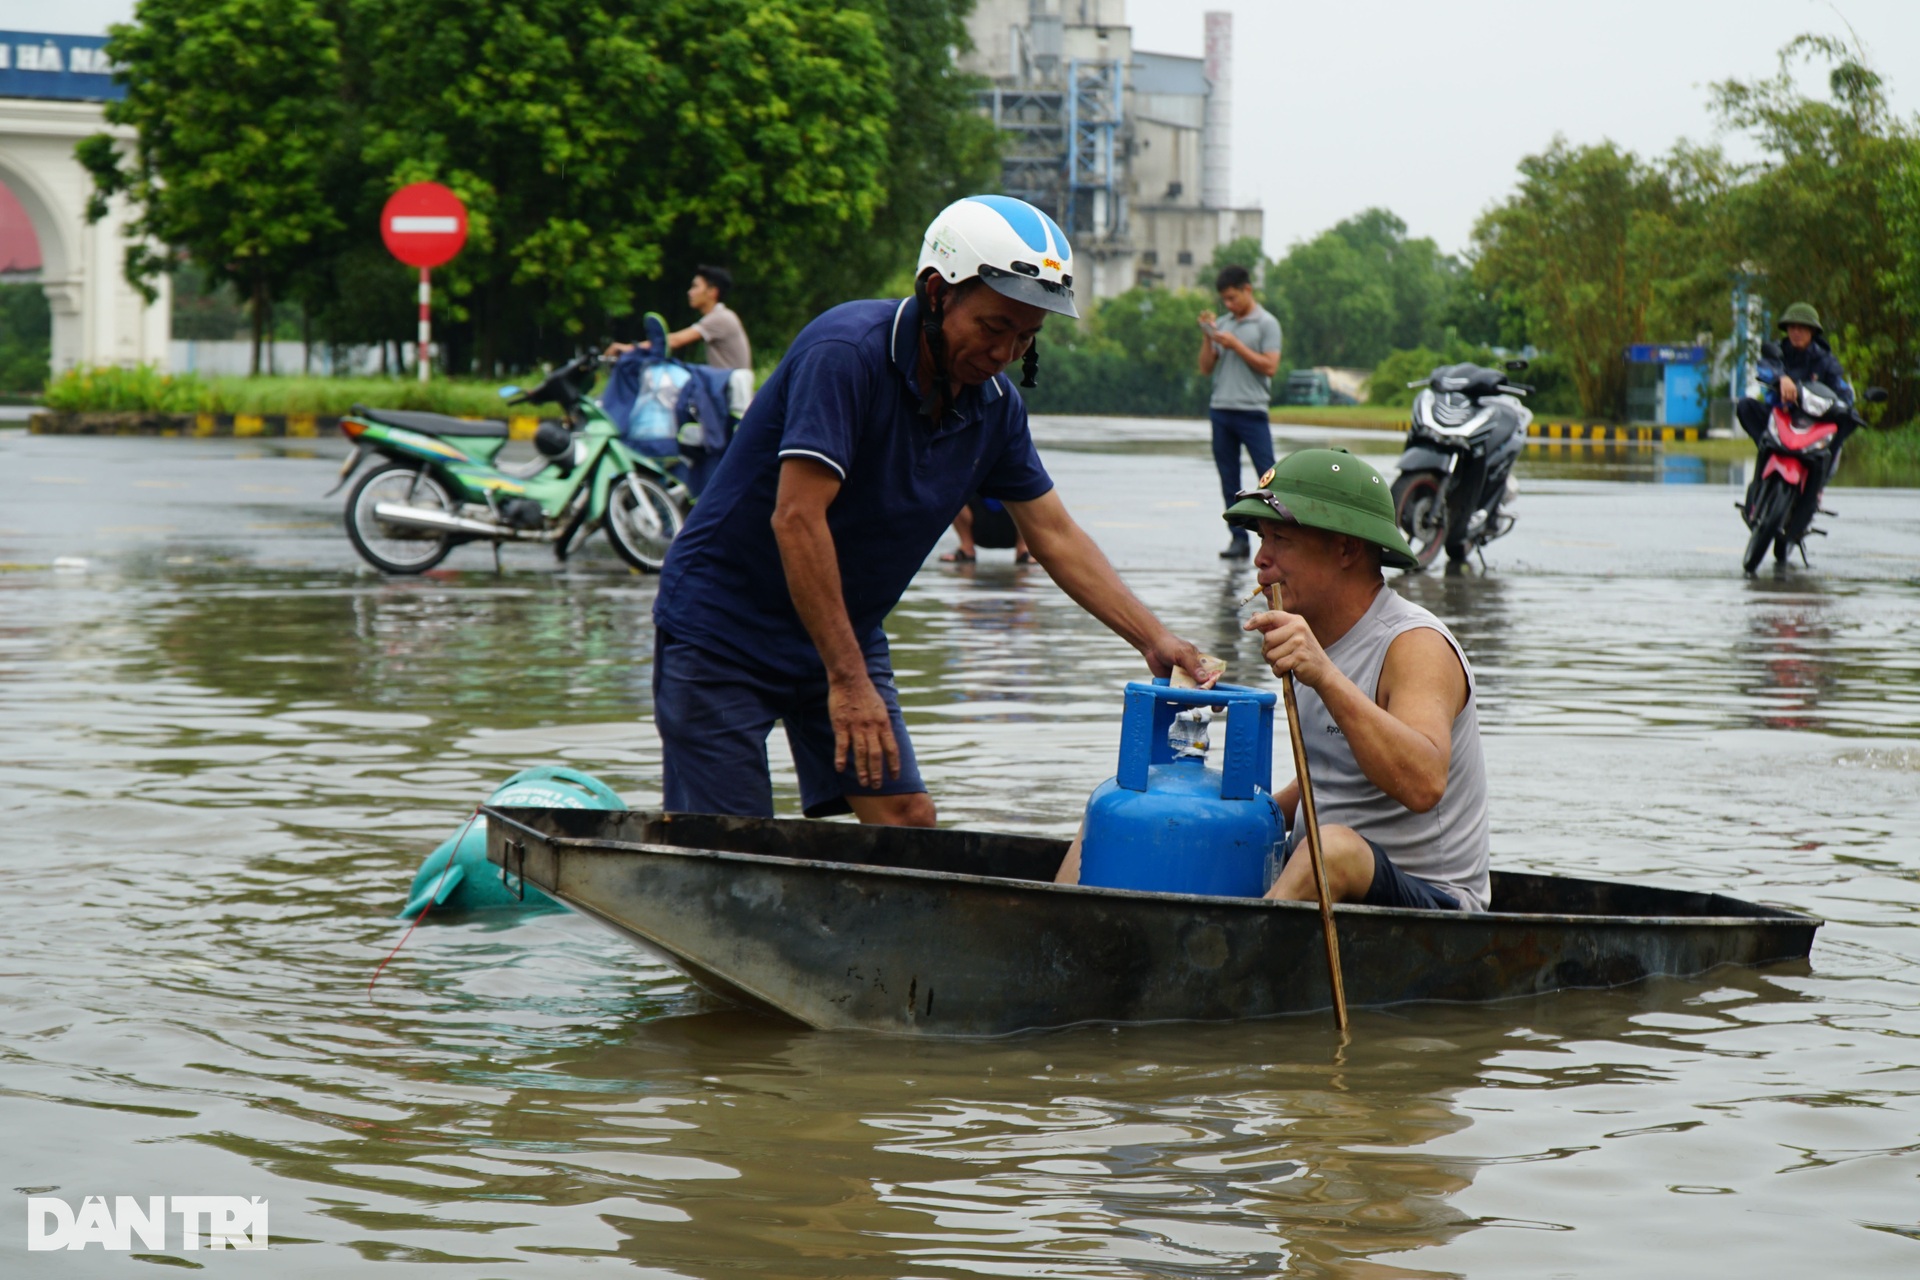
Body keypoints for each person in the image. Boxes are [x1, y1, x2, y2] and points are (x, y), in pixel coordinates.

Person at [651, 195, 1214, 826]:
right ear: (937, 293)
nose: (1005, 352)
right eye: (993, 327)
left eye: (1026, 337)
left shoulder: (994, 407)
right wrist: (848, 679)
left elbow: (1053, 534)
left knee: (905, 821)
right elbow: (796, 518)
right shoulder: (845, 354)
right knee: (730, 844)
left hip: (843, 627)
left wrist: (1154, 637)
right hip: (724, 627)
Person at [1235, 448, 1490, 911]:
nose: (1260, 559)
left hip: (1433, 903)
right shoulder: (1315, 635)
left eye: (1280, 540)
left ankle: (1238, 969)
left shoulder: (1414, 644)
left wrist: (1325, 677)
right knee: (1139, 811)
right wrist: (1240, 815)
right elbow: (1331, 779)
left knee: (1329, 849)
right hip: (1327, 877)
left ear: (1347, 548)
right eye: (1261, 538)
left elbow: (1423, 783)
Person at [1735, 302, 1854, 521]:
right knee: (1745, 406)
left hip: (1810, 426)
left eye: (1802, 328)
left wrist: (1846, 407)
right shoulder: (1779, 353)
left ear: (1812, 332)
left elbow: (1842, 392)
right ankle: (1766, 454)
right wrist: (1782, 378)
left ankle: (1816, 488)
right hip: (1779, 419)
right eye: (1792, 327)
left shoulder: (1826, 361)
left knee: (1845, 424)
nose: (1796, 332)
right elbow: (1765, 366)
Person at [1198, 263, 1282, 560]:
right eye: (1225, 301)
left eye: (1233, 298)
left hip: (1252, 412)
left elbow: (1270, 366)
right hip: (1221, 410)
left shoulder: (1267, 324)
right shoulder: (1224, 323)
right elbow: (1205, 367)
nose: (1229, 305)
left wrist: (1235, 345)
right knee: (1228, 479)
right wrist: (1209, 337)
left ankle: (1279, 537)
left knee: (1270, 478)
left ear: (1248, 289)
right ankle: (1238, 540)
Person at [607, 265, 753, 372]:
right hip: (724, 389)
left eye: (695, 287)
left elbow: (673, 341)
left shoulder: (720, 318)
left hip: (733, 396)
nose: (690, 292)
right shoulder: (718, 316)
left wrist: (629, 349)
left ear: (712, 292)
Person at [941, 494, 1031, 563]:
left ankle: (1024, 549)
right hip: (978, 525)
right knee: (953, 494)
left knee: (1029, 495)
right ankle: (966, 549)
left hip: (1016, 528)